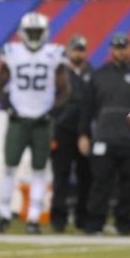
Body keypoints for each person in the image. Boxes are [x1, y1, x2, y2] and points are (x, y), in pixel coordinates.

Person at [0, 11, 70, 235]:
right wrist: (8, 107)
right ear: (22, 33)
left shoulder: (54, 53)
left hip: (43, 121)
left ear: (45, 33)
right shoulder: (12, 52)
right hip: (19, 119)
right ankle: (4, 214)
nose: (34, 35)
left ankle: (33, 218)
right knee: (9, 167)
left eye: (37, 32)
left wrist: (53, 111)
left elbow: (65, 90)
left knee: (40, 170)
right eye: (30, 32)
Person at [78, 32, 130, 235]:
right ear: (110, 50)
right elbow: (87, 108)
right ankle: (94, 223)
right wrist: (83, 134)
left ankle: (124, 224)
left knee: (129, 185)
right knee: (100, 183)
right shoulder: (99, 75)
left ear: (129, 49)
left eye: (123, 47)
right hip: (103, 138)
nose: (120, 51)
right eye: (116, 47)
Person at [50, 35, 94, 233]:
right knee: (61, 176)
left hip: (85, 130)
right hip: (63, 130)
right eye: (75, 49)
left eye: (81, 49)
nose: (78, 53)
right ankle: (58, 219)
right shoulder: (59, 72)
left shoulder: (91, 72)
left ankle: (81, 218)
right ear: (68, 51)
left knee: (86, 176)